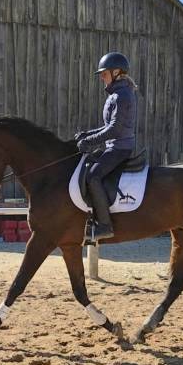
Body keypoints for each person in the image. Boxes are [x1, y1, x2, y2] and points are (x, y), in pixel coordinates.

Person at [75, 52, 137, 241]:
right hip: (114, 146)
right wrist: (88, 134)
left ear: (117, 72)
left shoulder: (121, 95)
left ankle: (104, 225)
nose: (102, 77)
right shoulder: (117, 94)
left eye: (104, 73)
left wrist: (90, 141)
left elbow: (115, 129)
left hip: (119, 148)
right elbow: (108, 126)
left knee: (94, 177)